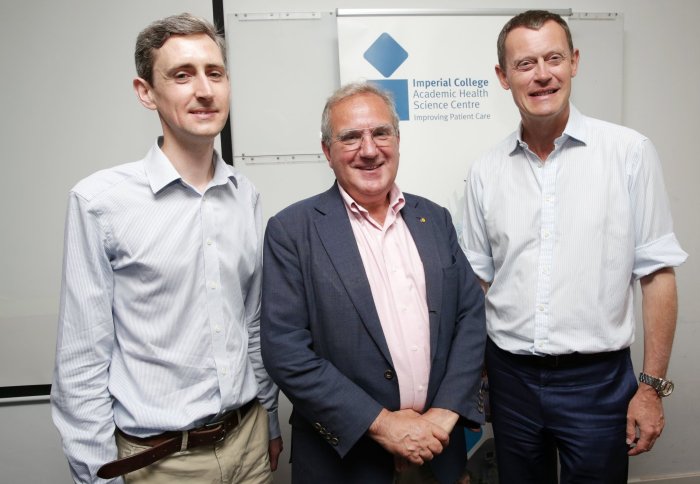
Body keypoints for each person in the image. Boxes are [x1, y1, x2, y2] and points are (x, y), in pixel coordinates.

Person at [51, 13, 281, 483]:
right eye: (182, 75)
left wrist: (271, 422)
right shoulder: (100, 202)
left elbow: (253, 323)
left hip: (249, 444)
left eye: (215, 73)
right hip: (159, 463)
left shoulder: (245, 195)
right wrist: (98, 475)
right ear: (146, 92)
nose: (205, 90)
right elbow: (81, 358)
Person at [462, 9, 688, 484]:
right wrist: (479, 376)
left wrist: (650, 388)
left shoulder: (629, 153)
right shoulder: (485, 171)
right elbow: (477, 283)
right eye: (525, 64)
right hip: (510, 380)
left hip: (598, 383)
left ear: (574, 62)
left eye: (554, 58)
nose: (542, 74)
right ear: (503, 77)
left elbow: (657, 275)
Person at [260, 82, 486, 483]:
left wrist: (443, 414)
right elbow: (285, 352)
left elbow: (470, 317)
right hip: (345, 464)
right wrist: (384, 425)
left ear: (397, 140)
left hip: (439, 450)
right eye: (350, 137)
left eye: (381, 133)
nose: (369, 150)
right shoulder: (292, 231)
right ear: (327, 151)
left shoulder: (435, 219)